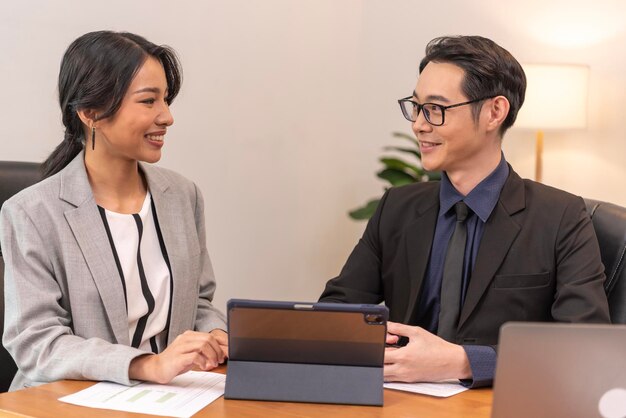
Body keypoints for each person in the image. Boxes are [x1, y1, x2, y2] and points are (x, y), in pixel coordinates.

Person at [319, 35, 610, 388]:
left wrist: (464, 361)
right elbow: (338, 310)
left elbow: (583, 348)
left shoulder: (561, 216)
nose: (419, 125)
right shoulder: (397, 207)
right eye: (416, 106)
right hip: (399, 401)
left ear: (494, 112)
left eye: (436, 109)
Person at [0, 31, 227, 391]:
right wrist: (146, 365)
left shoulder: (183, 195)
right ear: (91, 113)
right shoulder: (31, 213)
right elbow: (35, 342)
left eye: (165, 100)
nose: (166, 117)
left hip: (169, 397)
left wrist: (215, 333)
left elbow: (197, 301)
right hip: (65, 402)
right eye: (148, 101)